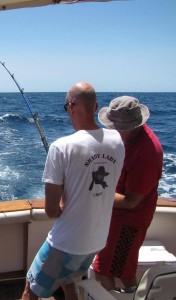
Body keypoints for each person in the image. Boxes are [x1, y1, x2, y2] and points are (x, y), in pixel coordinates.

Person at [22, 82, 125, 300]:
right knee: (70, 282)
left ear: (71, 106)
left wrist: (60, 207)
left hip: (66, 243)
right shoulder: (117, 140)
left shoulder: (61, 147)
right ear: (96, 107)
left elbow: (51, 210)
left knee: (30, 289)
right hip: (96, 241)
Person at [93, 96, 163, 292]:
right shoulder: (129, 138)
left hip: (128, 223)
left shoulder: (146, 153)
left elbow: (131, 201)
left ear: (131, 126)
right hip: (117, 218)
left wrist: (94, 192)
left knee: (105, 272)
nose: (111, 129)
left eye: (115, 126)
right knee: (122, 269)